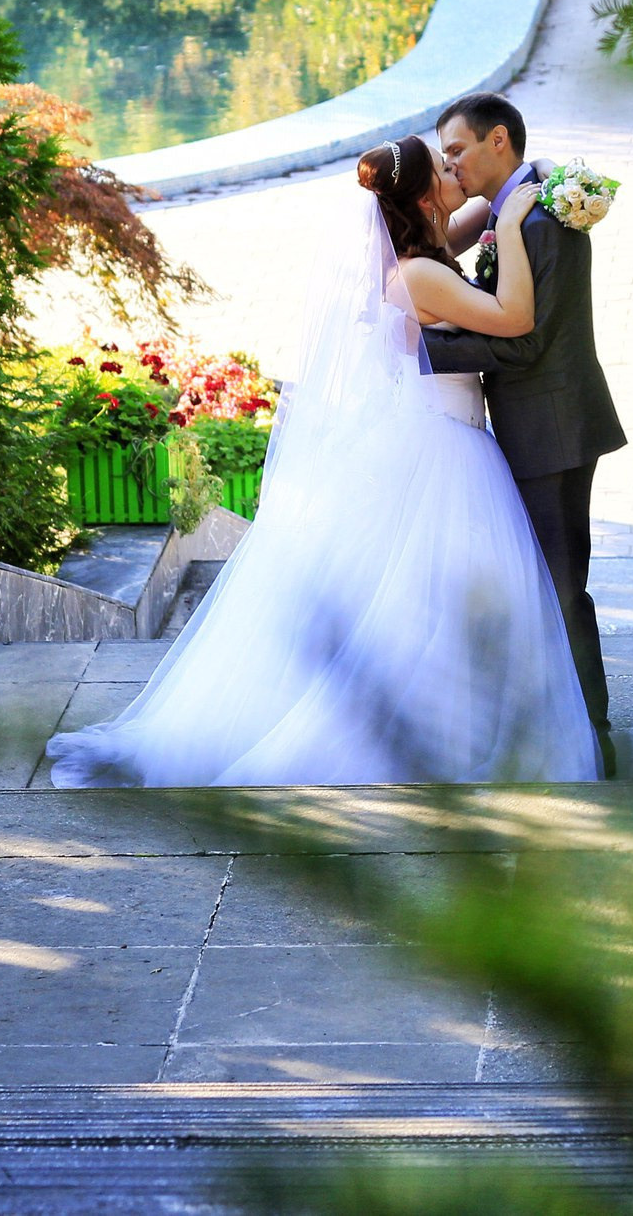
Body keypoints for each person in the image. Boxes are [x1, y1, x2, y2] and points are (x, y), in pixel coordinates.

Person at [44, 134, 600, 788]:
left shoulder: (415, 253)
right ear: (423, 196)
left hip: (437, 438)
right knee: (433, 604)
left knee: (427, 607)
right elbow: (513, 315)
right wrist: (510, 220)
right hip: (447, 448)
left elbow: (460, 220)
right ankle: (425, 739)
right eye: (447, 169)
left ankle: (445, 728)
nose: (458, 174)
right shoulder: (419, 273)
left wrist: (519, 190)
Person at [425, 94, 628, 777]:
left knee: (561, 588)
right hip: (550, 423)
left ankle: (592, 736)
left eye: (456, 150)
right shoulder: (521, 201)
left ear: (499, 142)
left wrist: (419, 349)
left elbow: (526, 344)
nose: (450, 163)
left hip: (552, 430)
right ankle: (566, 725)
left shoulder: (538, 220)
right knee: (550, 584)